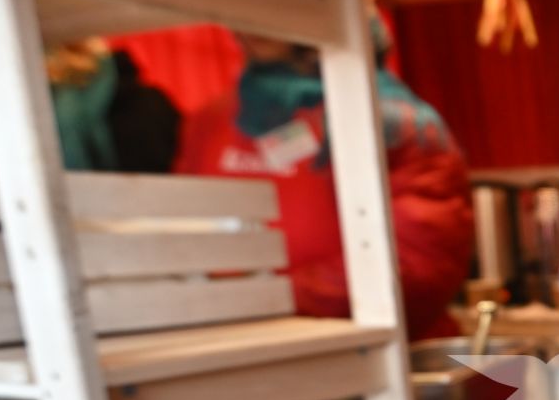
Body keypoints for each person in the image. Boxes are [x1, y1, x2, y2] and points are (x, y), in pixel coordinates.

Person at [174, 23, 473, 340]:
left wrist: (268, 299)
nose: (256, 23)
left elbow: (418, 264)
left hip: (366, 354)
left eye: (281, 4)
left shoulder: (395, 124)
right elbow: (182, 227)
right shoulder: (211, 121)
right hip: (233, 345)